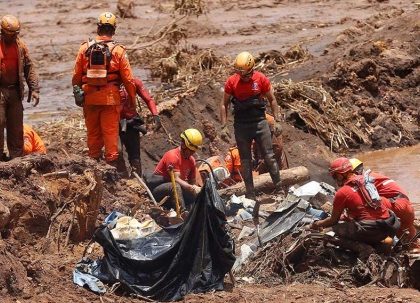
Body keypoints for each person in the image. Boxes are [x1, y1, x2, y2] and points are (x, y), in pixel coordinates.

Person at [72, 12, 136, 166]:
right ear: (113, 30)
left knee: (93, 133)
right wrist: (132, 102)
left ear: (98, 28)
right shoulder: (118, 51)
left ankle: (94, 163)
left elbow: (76, 77)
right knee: (110, 134)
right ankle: (111, 168)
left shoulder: (84, 49)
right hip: (110, 99)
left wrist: (78, 95)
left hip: (90, 98)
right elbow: (129, 80)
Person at [220, 51, 283, 204]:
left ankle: (280, 188)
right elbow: (224, 104)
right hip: (241, 125)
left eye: (244, 72)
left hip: (260, 123)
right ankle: (250, 193)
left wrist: (277, 120)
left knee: (269, 156)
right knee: (245, 160)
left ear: (251, 68)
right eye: (239, 72)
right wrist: (223, 126)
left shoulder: (261, 79)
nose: (242, 75)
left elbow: (272, 100)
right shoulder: (231, 82)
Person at [311, 157, 399, 246]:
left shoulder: (343, 192)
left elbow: (333, 221)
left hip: (371, 229)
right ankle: (383, 246)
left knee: (327, 233)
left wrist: (316, 224)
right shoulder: (366, 180)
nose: (335, 179)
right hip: (389, 225)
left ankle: (362, 248)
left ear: (341, 175)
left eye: (335, 175)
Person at [349, 158, 418, 246]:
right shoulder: (373, 175)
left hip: (395, 205)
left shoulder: (363, 180)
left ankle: (383, 242)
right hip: (406, 206)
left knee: (364, 210)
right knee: (410, 242)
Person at [0, 15, 39, 159]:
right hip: (1, 90)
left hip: (15, 91)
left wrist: (34, 89)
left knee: (16, 126)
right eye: (9, 34)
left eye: (15, 34)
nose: (12, 37)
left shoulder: (21, 46)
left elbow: (29, 67)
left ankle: (16, 158)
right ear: (2, 32)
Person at [145, 129, 203, 211]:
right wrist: (191, 188)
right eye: (189, 150)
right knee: (175, 186)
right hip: (159, 190)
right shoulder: (173, 156)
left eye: (192, 151)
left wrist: (197, 190)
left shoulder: (191, 161)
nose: (190, 153)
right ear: (183, 144)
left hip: (176, 194)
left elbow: (192, 181)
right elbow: (176, 179)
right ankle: (182, 214)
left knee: (196, 194)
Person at [119, 77, 160, 174]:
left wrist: (155, 114)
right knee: (117, 152)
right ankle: (122, 180)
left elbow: (148, 99)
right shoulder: (108, 83)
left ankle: (137, 181)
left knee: (135, 158)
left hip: (131, 123)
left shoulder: (134, 82)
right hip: (113, 125)